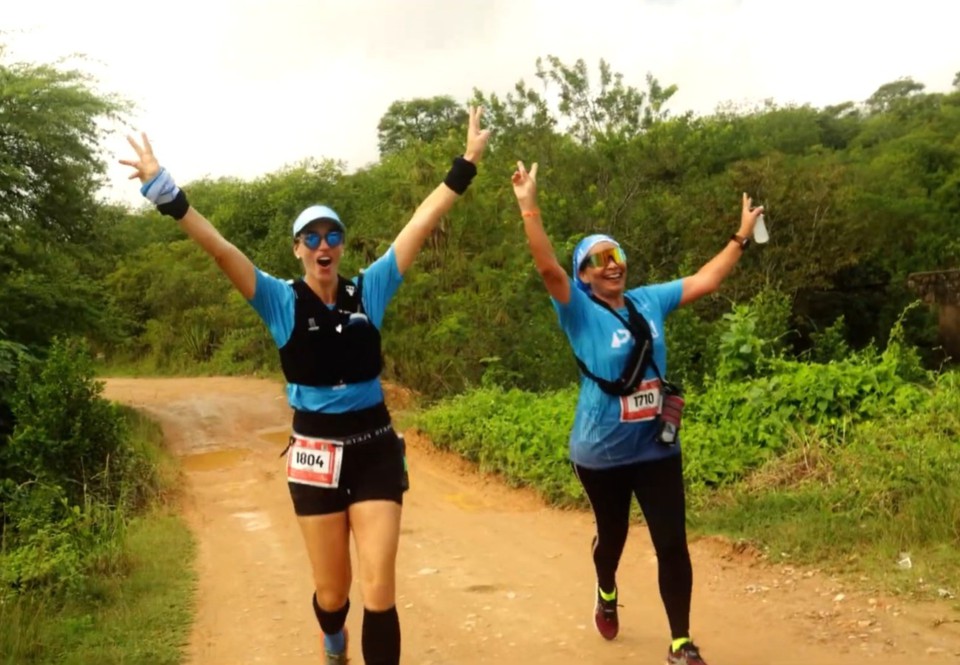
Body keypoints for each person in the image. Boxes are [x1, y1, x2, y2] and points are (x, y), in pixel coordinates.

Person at [121, 108, 490, 665]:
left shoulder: (371, 288)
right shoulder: (279, 299)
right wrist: (162, 190)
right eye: (311, 236)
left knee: (380, 587)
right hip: (315, 454)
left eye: (333, 235)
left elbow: (419, 224)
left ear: (342, 246)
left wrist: (464, 165)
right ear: (298, 248)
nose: (324, 244)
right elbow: (219, 247)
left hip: (374, 449)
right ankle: (333, 637)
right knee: (333, 592)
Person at [510, 160, 763, 665]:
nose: (611, 264)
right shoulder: (576, 309)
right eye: (598, 259)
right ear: (582, 275)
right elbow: (546, 268)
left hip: (655, 446)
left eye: (617, 254)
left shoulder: (648, 301)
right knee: (615, 537)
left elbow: (707, 281)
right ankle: (605, 588)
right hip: (600, 452)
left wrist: (740, 236)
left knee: (672, 542)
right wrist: (528, 206)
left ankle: (680, 643)